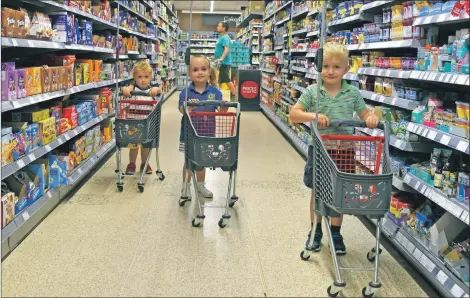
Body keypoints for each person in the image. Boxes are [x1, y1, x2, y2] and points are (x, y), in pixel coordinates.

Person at [289, 42, 380, 255]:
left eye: (336, 67)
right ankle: (316, 230)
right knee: (317, 191)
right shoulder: (313, 92)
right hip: (321, 150)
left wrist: (371, 117)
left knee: (340, 193)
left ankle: (336, 232)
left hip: (345, 152)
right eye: (326, 66)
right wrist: (314, 116)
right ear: (318, 67)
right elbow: (294, 114)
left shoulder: (353, 94)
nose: (330, 71)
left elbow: (365, 114)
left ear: (346, 69)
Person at [179, 55, 225, 199]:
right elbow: (181, 109)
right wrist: (189, 106)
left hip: (207, 134)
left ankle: (200, 187)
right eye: (195, 69)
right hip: (188, 134)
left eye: (203, 69)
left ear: (209, 71)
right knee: (188, 162)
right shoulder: (185, 92)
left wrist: (224, 107)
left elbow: (221, 111)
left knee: (201, 162)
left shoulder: (215, 93)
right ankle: (185, 188)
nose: (200, 72)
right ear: (189, 73)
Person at [122, 61, 162, 175]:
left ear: (151, 77)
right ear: (134, 77)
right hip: (133, 123)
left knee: (145, 146)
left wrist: (157, 90)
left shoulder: (151, 91)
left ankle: (144, 163)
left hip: (147, 124)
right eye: (139, 77)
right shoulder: (132, 91)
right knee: (134, 146)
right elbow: (124, 104)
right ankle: (132, 164)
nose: (143, 80)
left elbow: (159, 92)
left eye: (146, 77)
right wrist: (126, 90)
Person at [214, 21, 237, 101]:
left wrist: (221, 58)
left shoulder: (225, 38)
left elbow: (226, 49)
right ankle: (218, 97)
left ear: (223, 28)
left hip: (224, 63)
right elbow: (220, 49)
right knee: (219, 80)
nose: (217, 27)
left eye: (219, 26)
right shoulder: (221, 37)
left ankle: (235, 96)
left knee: (226, 79)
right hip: (220, 63)